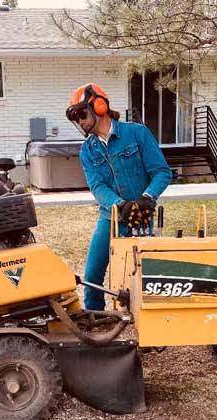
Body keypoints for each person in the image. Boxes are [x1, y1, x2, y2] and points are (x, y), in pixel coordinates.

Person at [65, 83, 172, 310]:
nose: (80, 122)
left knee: (141, 275)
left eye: (82, 115)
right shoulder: (87, 150)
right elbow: (97, 185)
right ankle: (94, 317)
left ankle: (142, 319)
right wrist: (119, 204)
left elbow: (162, 172)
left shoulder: (137, 134)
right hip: (110, 217)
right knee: (92, 275)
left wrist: (147, 197)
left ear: (99, 106)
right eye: (76, 118)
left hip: (141, 216)